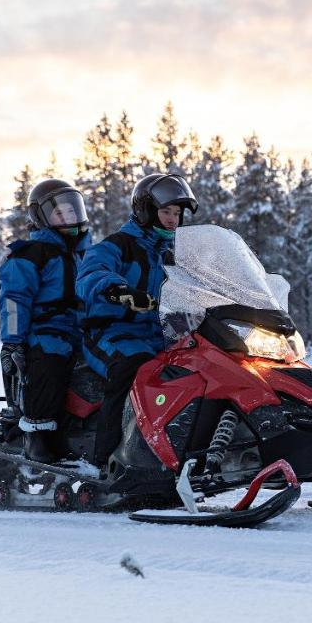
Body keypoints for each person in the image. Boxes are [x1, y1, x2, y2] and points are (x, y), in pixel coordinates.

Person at [78, 172, 198, 470]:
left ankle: (186, 451)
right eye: (166, 211)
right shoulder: (119, 245)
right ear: (145, 210)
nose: (173, 219)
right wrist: (117, 289)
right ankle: (104, 461)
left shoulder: (175, 255)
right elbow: (91, 273)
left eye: (177, 213)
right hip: (112, 331)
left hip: (161, 335)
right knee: (132, 366)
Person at [0, 179, 92, 462]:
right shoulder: (30, 255)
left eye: (72, 211)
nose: (68, 218)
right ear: (41, 217)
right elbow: (14, 300)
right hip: (47, 330)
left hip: (84, 330)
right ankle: (36, 434)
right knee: (51, 361)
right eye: (59, 213)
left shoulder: (86, 254)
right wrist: (12, 343)